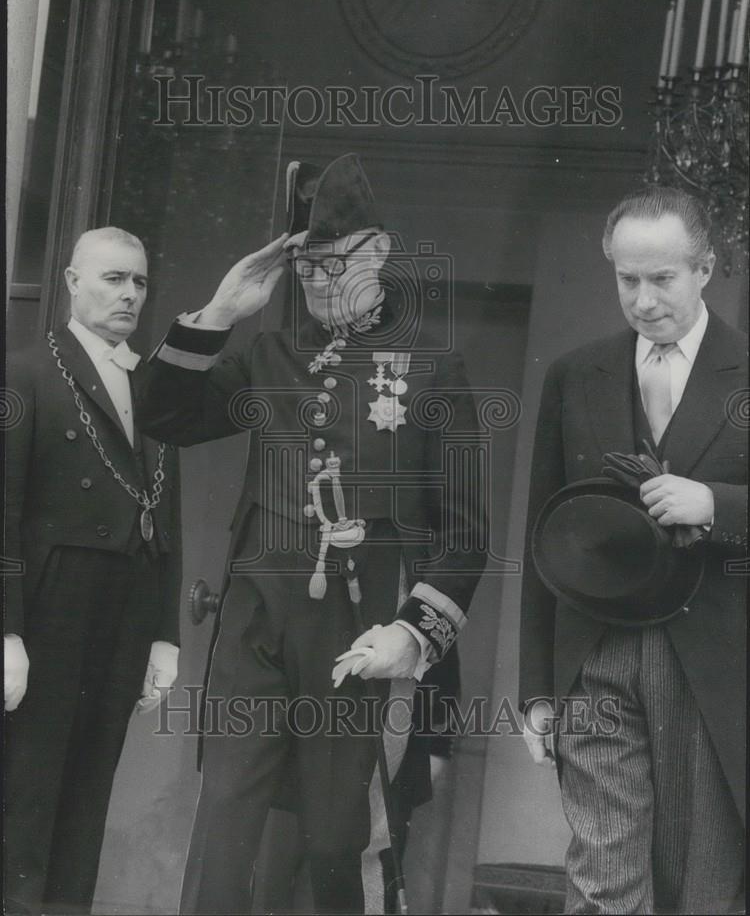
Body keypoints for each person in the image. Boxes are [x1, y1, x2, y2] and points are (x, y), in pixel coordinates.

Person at [136, 153, 487, 914]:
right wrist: (221, 311)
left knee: (339, 843)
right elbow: (162, 417)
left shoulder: (433, 368)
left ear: (380, 252)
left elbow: (464, 536)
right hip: (257, 619)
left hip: (357, 631)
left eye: (338, 265)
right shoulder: (271, 354)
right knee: (228, 818)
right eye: (308, 271)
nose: (322, 285)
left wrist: (416, 635)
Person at [519, 187, 747, 914]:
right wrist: (537, 687)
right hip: (597, 655)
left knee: (699, 886)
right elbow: (544, 541)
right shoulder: (574, 374)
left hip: (711, 668)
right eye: (626, 279)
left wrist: (717, 505)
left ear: (706, 267)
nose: (643, 301)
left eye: (663, 279)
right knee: (602, 877)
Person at [4, 227, 182, 916]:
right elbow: (3, 510)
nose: (129, 294)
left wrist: (165, 634)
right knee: (29, 792)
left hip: (125, 611)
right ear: (73, 282)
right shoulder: (25, 374)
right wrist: (8, 632)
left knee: (89, 794)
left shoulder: (156, 388)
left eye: (139, 281)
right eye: (113, 278)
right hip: (50, 609)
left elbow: (167, 512)